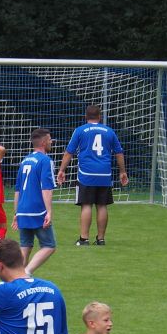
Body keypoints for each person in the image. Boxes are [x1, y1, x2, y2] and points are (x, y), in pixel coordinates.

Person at [56, 105, 128, 246]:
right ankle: (101, 239)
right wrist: (122, 172)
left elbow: (69, 152)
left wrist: (62, 170)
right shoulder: (109, 131)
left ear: (86, 116)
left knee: (86, 204)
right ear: (99, 117)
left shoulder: (80, 130)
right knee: (102, 205)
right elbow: (119, 153)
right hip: (104, 173)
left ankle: (84, 239)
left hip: (86, 173)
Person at [14, 128, 57, 274]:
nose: (51, 142)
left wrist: (16, 212)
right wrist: (49, 212)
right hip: (37, 210)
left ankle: (15, 278)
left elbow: (17, 189)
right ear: (44, 142)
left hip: (22, 210)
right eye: (49, 139)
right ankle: (27, 272)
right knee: (49, 245)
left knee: (25, 246)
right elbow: (46, 188)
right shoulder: (45, 161)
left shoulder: (25, 160)